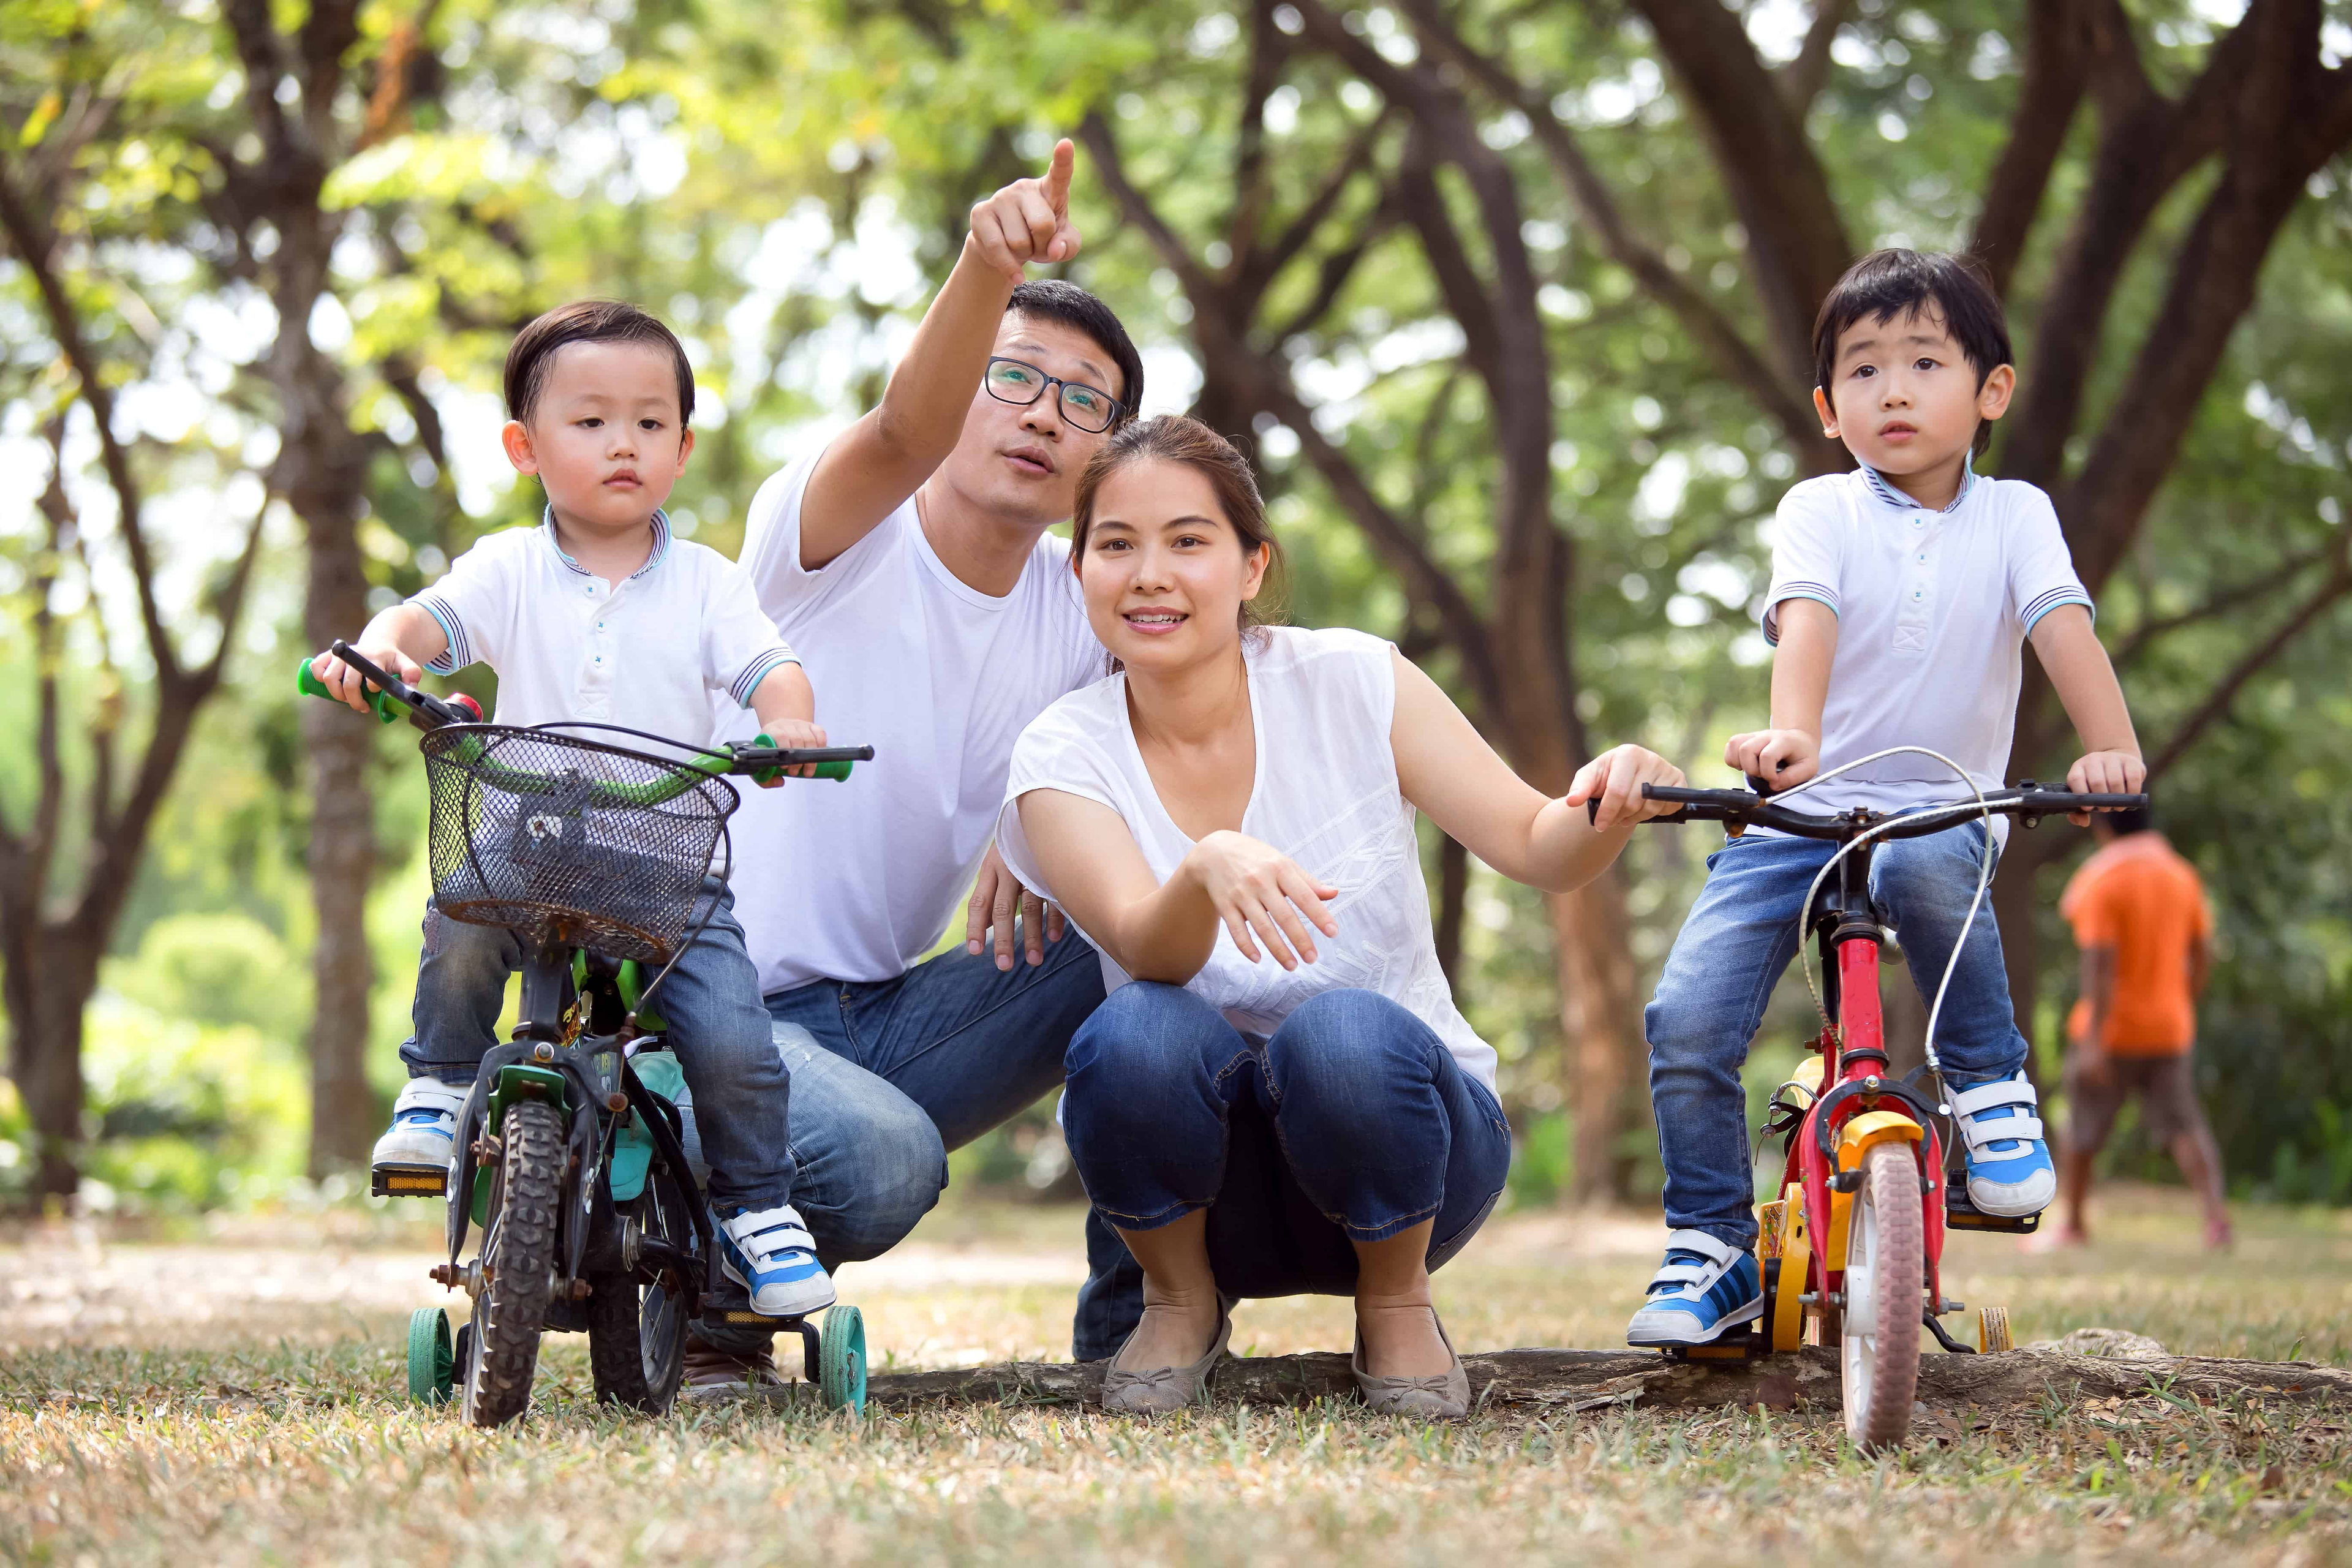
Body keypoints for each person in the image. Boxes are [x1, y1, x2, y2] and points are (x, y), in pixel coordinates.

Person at [999, 415, 1687, 1419]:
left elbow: (1541, 848)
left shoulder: (1355, 681)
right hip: (1210, 1191)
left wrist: (1617, 795)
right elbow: (1145, 945)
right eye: (1118, 544)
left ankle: (1397, 1301)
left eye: (1188, 541)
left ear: (1250, 566)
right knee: (1131, 1031)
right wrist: (1205, 866)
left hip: (1411, 1154)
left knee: (1341, 1030)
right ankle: (1180, 1299)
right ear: (1082, 568)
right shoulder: (1061, 753)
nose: (1151, 574)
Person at [687, 139, 1149, 1393]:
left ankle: (1142, 1328)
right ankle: (700, 1302)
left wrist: (1048, 825)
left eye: (1086, 400)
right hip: (706, 1005)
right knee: (885, 1165)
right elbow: (899, 430)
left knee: (1156, 931)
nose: (1046, 412)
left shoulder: (1081, 613)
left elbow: (1164, 766)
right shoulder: (829, 536)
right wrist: (985, 264)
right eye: (1014, 375)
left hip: (886, 1016)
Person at [1627, 249, 2148, 1349]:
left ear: (1991, 390)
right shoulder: (1821, 508)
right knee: (1689, 1018)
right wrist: (1795, 741)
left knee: (1919, 865)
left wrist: (2111, 749)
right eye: (1863, 372)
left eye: (1924, 362)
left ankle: (1990, 1087)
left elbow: (2061, 624)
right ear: (1828, 409)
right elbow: (1806, 618)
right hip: (1800, 814)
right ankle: (1710, 1247)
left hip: (1945, 812)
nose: (1894, 390)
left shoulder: (2016, 516)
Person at [317, 300, 839, 1323]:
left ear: (683, 449)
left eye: (650, 424)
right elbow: (420, 626)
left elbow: (773, 667)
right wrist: (384, 657)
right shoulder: (508, 568)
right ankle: (437, 1086)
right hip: (529, 842)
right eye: (590, 421)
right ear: (525, 447)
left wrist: (792, 723)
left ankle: (760, 1210)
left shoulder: (706, 582)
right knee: (461, 917)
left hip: (667, 861)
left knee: (735, 1039)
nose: (623, 444)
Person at [2040, 805, 2230, 1250]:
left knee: (2083, 1127)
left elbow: (2100, 964)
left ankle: (2073, 1224)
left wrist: (2092, 1042)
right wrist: (2184, 1000)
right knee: (2185, 1126)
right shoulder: (2182, 875)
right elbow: (2203, 952)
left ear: (2103, 825)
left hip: (2113, 1031)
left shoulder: (2102, 877)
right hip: (2170, 1027)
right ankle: (2216, 1221)